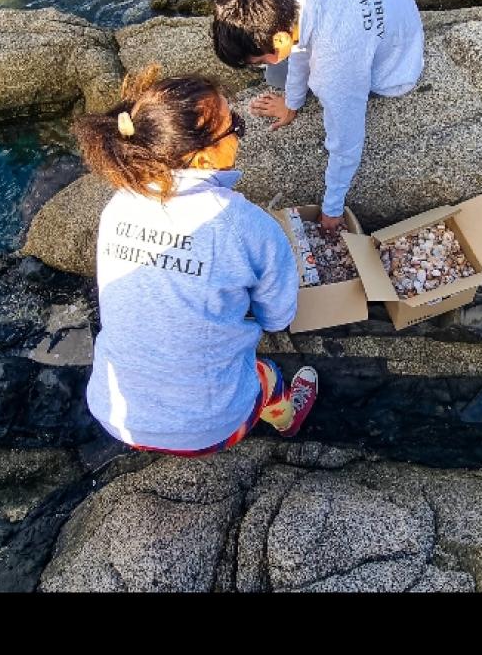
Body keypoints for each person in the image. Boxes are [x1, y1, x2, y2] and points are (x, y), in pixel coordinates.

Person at [72, 63, 318, 457]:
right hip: (209, 428)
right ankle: (289, 419)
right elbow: (277, 318)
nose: (239, 129)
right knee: (268, 373)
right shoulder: (245, 226)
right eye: (234, 126)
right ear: (203, 160)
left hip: (115, 414)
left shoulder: (117, 207)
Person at [211, 0, 425, 232]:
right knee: (280, 72)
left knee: (277, 75)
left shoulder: (336, 66)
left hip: (397, 63)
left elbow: (346, 143)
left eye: (258, 61)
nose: (259, 66)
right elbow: (298, 36)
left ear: (278, 41)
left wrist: (332, 209)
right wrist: (293, 101)